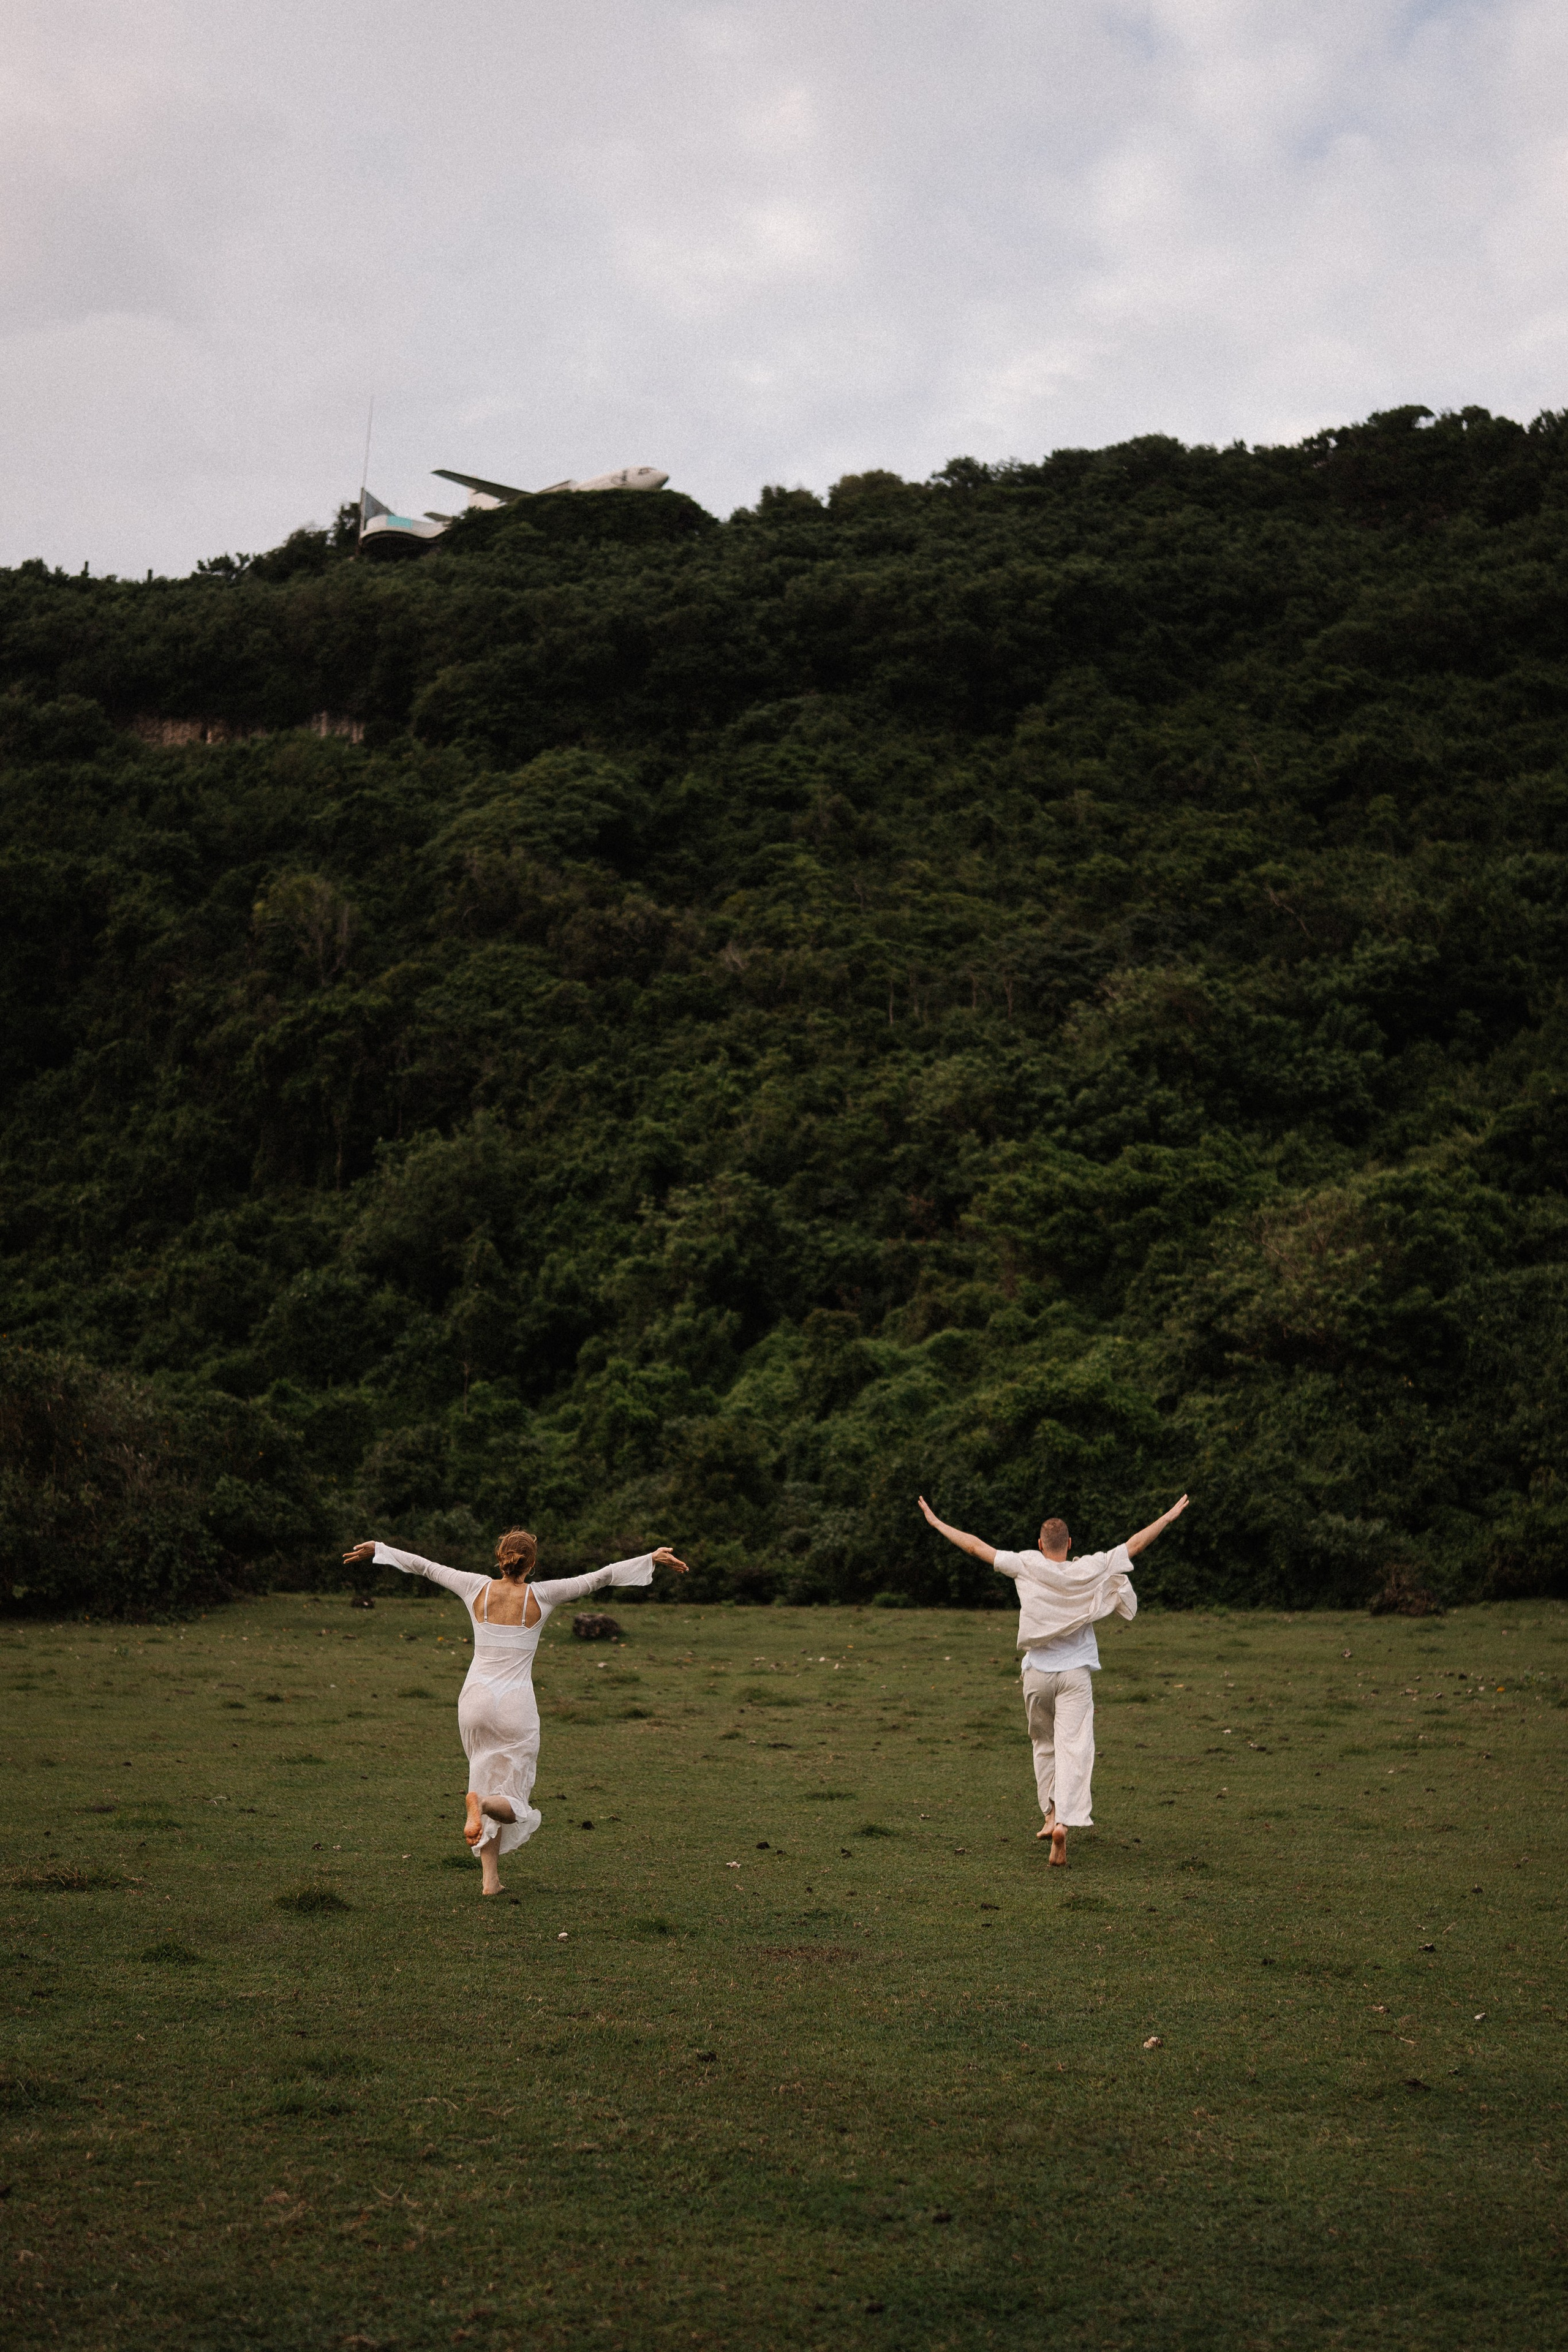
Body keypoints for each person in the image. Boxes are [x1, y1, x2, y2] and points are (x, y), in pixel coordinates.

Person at [341, 1528, 688, 1895]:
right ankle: (482, 1804)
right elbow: (599, 1577)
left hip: (474, 1701)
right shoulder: (543, 1594)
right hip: (515, 1704)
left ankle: (490, 1880)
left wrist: (380, 1548)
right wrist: (650, 1559)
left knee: (483, 1777)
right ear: (532, 1564)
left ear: (500, 1557)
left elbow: (426, 1567)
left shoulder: (474, 1586)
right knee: (513, 1798)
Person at [915, 1493, 1189, 1866]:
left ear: (1041, 1544)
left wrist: (937, 1523)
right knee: (1074, 1748)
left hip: (1037, 1676)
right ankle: (1062, 1823)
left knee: (1044, 1744)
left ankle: (1049, 1813)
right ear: (1070, 1543)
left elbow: (977, 1547)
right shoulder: (1090, 1567)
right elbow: (1135, 1544)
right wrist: (1167, 1517)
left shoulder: (1027, 1563)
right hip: (1075, 1675)